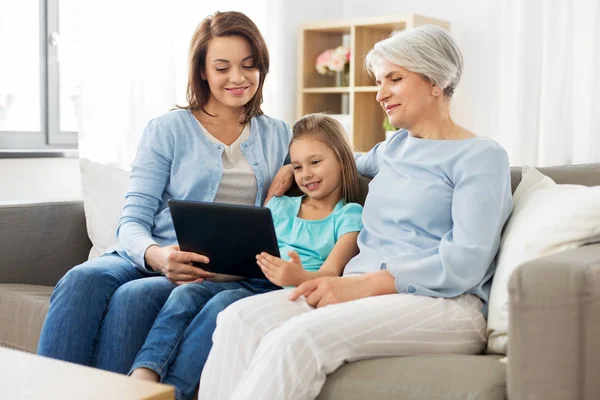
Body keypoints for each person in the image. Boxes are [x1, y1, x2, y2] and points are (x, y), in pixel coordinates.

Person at [198, 24, 514, 400]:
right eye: (380, 81)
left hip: (444, 304)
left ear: (436, 80)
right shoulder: (395, 147)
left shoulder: (480, 157)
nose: (380, 94)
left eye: (394, 79)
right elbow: (344, 159)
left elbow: (466, 261)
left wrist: (361, 284)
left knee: (298, 340)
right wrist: (289, 165)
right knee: (238, 319)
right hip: (364, 292)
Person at [37, 11, 293, 374]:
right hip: (151, 254)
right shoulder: (167, 129)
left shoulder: (279, 134)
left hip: (215, 274)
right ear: (202, 71)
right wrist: (157, 256)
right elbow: (132, 220)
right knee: (82, 277)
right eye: (222, 68)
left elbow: (338, 160)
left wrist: (289, 166)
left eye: (249, 66)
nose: (237, 78)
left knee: (134, 298)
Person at [128, 113, 363, 400]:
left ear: (341, 158)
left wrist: (297, 276)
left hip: (289, 289)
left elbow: (332, 273)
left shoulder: (349, 215)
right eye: (297, 166)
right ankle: (145, 374)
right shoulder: (281, 205)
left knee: (222, 304)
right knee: (186, 294)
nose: (306, 174)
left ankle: (174, 391)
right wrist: (212, 269)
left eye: (316, 162)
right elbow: (251, 255)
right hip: (250, 278)